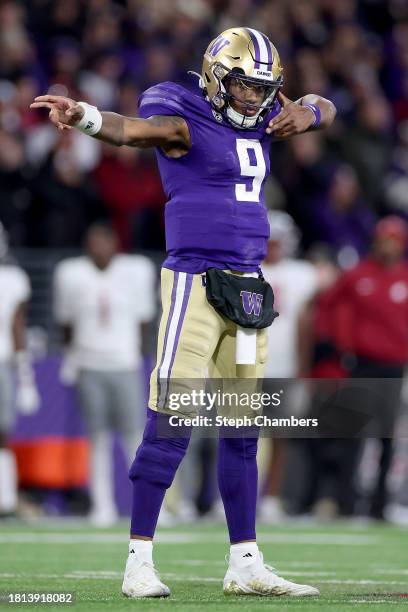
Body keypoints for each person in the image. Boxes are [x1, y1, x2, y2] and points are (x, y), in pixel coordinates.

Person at [31, 27, 336, 598]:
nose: (254, 98)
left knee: (243, 430)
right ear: (218, 76)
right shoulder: (181, 112)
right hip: (196, 281)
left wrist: (313, 113)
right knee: (172, 417)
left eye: (264, 88)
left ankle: (245, 560)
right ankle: (138, 560)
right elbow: (133, 131)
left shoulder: (266, 119)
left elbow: (327, 105)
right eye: (245, 86)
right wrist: (84, 117)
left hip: (249, 289)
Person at [53, 224, 156, 526]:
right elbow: (66, 323)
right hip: (89, 364)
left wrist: (139, 357)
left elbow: (143, 321)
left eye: (103, 241)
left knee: (134, 437)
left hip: (124, 363)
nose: (98, 247)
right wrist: (70, 359)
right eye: (93, 242)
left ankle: (149, 505)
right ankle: (102, 505)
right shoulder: (71, 274)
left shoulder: (134, 271)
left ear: (115, 243)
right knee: (96, 439)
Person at [323, 216, 408, 519]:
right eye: (385, 238)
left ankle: (379, 506)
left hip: (394, 366)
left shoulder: (404, 277)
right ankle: (345, 503)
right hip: (361, 364)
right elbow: (328, 306)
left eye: (394, 239)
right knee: (352, 433)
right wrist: (340, 344)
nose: (389, 245)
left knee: (386, 436)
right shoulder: (358, 275)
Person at [259, 211, 318, 522]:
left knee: (280, 436)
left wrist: (302, 368)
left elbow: (306, 326)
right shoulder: (244, 269)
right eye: (269, 242)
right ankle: (225, 498)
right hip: (247, 366)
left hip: (284, 366)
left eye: (278, 242)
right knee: (235, 435)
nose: (273, 248)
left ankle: (271, 498)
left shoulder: (301, 274)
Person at [0, 223, 39, 517]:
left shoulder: (12, 278)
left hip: (2, 361)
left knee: (3, 433)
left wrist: (26, 379)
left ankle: (6, 499)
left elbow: (17, 327)